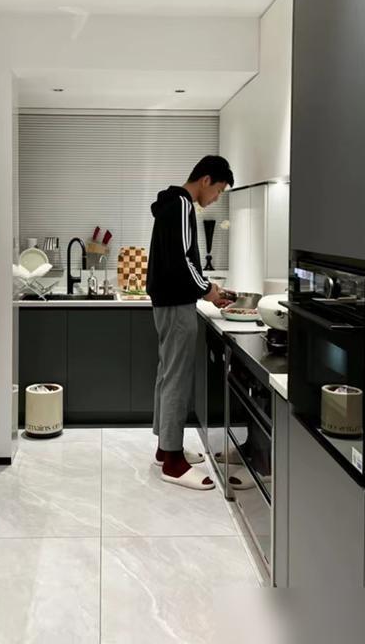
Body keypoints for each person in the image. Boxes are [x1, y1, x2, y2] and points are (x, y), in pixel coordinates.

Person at [147, 155, 234, 490]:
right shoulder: (182, 205)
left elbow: (179, 260)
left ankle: (165, 448)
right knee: (177, 379)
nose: (215, 198)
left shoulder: (170, 205)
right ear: (205, 180)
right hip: (177, 304)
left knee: (167, 373)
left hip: (167, 303)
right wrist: (208, 291)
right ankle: (173, 462)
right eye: (219, 190)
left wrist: (207, 288)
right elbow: (183, 261)